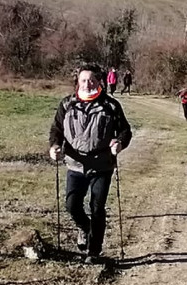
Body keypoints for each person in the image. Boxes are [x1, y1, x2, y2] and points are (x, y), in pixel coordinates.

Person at [48, 64, 132, 264]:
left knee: (97, 208)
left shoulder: (110, 105)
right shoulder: (67, 104)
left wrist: (119, 143)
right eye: (84, 80)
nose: (88, 84)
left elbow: (125, 131)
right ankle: (85, 228)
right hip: (75, 164)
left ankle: (94, 251)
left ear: (99, 81)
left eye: (92, 80)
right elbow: (56, 130)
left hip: (102, 165)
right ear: (78, 82)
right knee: (72, 205)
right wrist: (54, 146)